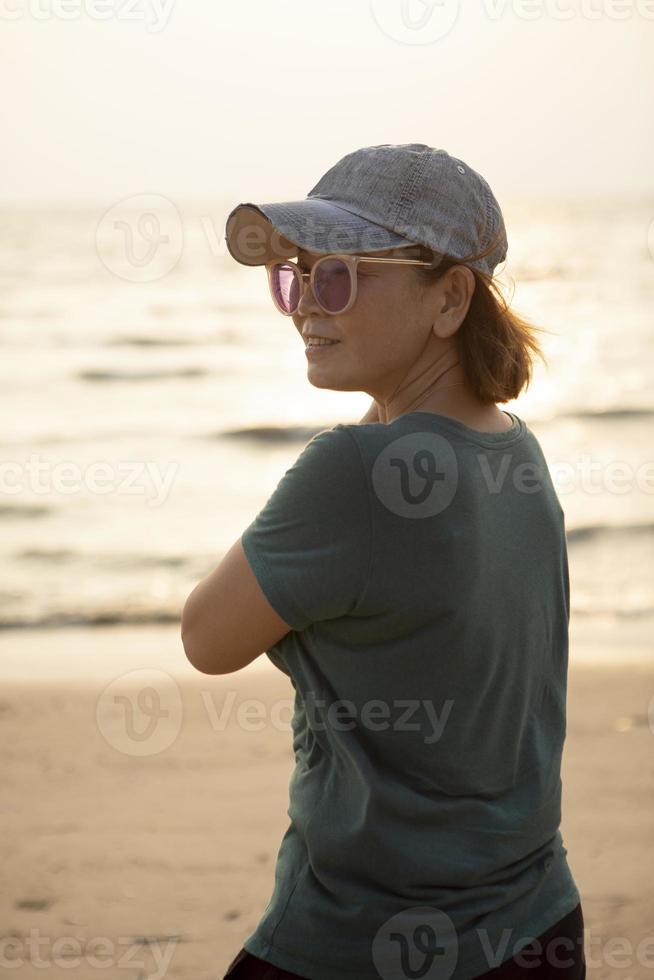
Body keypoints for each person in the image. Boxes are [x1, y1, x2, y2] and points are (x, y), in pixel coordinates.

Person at [205, 144, 586, 979]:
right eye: (295, 276)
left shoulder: (353, 470)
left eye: (338, 274)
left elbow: (207, 637)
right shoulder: (520, 452)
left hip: (360, 934)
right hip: (536, 921)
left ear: (449, 298)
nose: (307, 303)